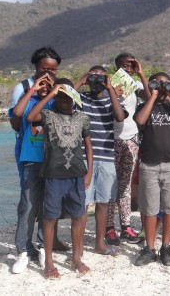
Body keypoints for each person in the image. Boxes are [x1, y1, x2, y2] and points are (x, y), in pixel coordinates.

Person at [26, 78, 93, 279]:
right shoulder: (47, 115)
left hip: (76, 174)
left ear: (74, 98)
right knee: (50, 217)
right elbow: (30, 117)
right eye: (61, 96)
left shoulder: (82, 117)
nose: (65, 100)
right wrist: (52, 93)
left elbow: (89, 146)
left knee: (79, 216)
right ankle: (48, 262)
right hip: (53, 175)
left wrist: (89, 172)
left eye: (68, 96)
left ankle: (76, 258)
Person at [133, 72, 170, 266]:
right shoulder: (144, 106)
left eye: (165, 84)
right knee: (149, 209)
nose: (161, 87)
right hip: (149, 164)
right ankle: (149, 248)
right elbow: (140, 121)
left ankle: (165, 246)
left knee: (169, 208)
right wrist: (153, 96)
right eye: (157, 83)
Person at [74, 66, 127, 256]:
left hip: (105, 157)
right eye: (93, 78)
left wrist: (110, 89)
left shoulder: (113, 99)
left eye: (100, 78)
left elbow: (120, 117)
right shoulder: (81, 99)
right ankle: (78, 247)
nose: (96, 82)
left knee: (104, 201)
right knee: (83, 203)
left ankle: (99, 243)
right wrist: (81, 80)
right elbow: (63, 97)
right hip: (84, 158)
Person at [10, 72, 55, 273]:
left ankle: (44, 246)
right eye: (41, 83)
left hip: (53, 161)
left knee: (48, 207)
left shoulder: (57, 101)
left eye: (48, 83)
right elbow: (18, 114)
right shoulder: (29, 100)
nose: (44, 86)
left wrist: (55, 89)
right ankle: (23, 250)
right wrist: (32, 90)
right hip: (31, 160)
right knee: (28, 206)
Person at [105, 53, 149, 245]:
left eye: (131, 66)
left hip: (131, 138)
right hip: (111, 139)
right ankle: (109, 227)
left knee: (125, 185)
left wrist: (141, 74)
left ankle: (126, 226)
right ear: (117, 67)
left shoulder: (134, 85)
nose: (128, 69)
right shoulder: (109, 85)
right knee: (110, 186)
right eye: (125, 66)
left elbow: (149, 97)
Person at [10, 47, 61, 184]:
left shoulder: (59, 89)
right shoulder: (23, 87)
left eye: (53, 70)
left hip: (54, 151)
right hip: (29, 146)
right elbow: (15, 123)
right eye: (45, 69)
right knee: (28, 190)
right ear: (36, 67)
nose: (48, 73)